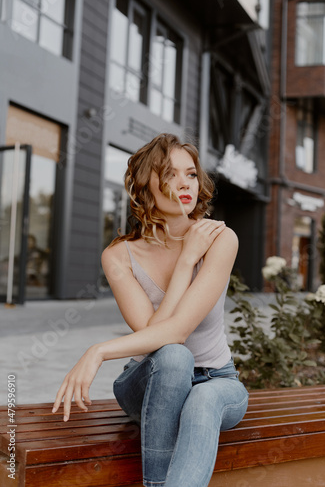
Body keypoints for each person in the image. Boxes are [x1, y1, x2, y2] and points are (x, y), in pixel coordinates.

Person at [52, 133, 249, 487]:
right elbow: (154, 338)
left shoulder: (220, 239)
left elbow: (178, 329)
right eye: (170, 174)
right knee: (173, 356)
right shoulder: (118, 256)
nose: (185, 184)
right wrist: (186, 260)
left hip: (217, 381)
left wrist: (98, 351)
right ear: (146, 184)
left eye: (191, 174)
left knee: (202, 397)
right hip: (149, 380)